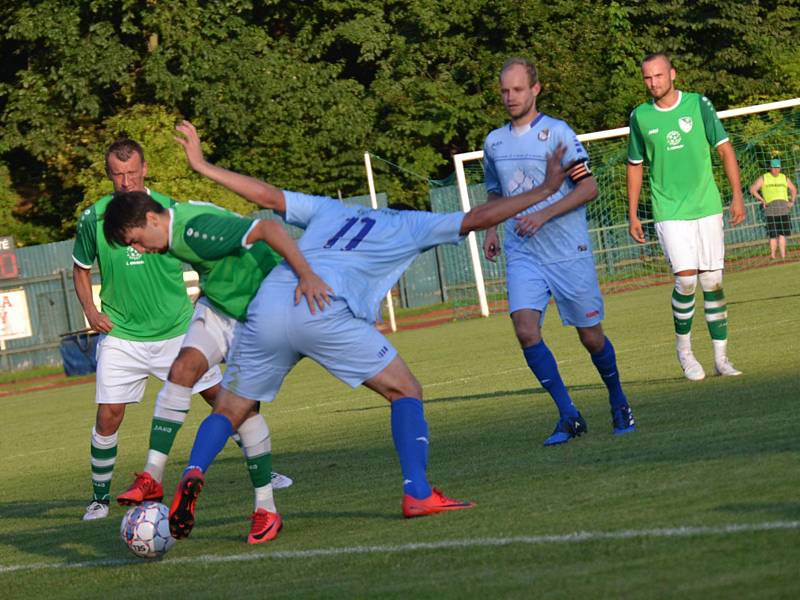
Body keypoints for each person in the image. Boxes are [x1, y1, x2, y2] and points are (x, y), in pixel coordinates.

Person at [117, 123, 571, 543]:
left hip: (269, 305)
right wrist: (548, 189)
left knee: (231, 408)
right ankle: (417, 491)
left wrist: (203, 166)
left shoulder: (330, 210)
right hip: (321, 309)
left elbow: (268, 197)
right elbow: (477, 217)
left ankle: (193, 470)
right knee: (405, 389)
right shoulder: (408, 224)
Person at [103, 182, 332, 543]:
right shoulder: (176, 226)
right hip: (221, 304)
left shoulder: (193, 230)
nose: (138, 250)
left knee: (240, 408)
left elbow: (269, 228)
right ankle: (152, 475)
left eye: (134, 240)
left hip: (261, 312)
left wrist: (306, 275)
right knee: (183, 370)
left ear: (151, 218)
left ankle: (266, 508)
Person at [481, 56, 635, 447]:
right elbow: (495, 192)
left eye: (517, 89)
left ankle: (618, 400)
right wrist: (491, 229)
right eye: (504, 90)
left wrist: (544, 214)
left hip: (567, 250)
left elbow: (588, 188)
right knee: (525, 329)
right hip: (523, 252)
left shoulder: (558, 133)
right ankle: (568, 415)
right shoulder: (494, 143)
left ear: (535, 89)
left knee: (590, 336)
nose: (510, 97)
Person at [72, 139, 223, 521]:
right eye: (117, 175)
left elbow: (207, 258)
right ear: (109, 175)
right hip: (122, 335)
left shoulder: (170, 209)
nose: (125, 182)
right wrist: (90, 308)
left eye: (132, 173)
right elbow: (80, 267)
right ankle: (99, 499)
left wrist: (205, 302)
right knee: (109, 414)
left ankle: (262, 465)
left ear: (145, 169)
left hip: (176, 330)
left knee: (221, 399)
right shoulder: (94, 217)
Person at [627, 52, 746, 381]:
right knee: (686, 279)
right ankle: (685, 352)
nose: (653, 83)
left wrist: (737, 196)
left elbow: (724, 148)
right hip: (668, 209)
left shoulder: (699, 105)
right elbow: (634, 166)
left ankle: (721, 359)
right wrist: (633, 213)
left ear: (673, 74)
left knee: (712, 281)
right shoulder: (640, 117)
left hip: (706, 206)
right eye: (648, 78)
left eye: (659, 76)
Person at [749, 158, 796, 259]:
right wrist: (762, 200)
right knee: (773, 235)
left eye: (778, 168)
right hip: (770, 210)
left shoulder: (784, 178)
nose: (776, 170)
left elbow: (793, 189)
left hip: (783, 209)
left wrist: (792, 201)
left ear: (780, 168)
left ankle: (783, 256)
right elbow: (752, 189)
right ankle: (773, 256)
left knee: (783, 234)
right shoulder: (764, 178)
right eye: (774, 168)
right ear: (770, 168)